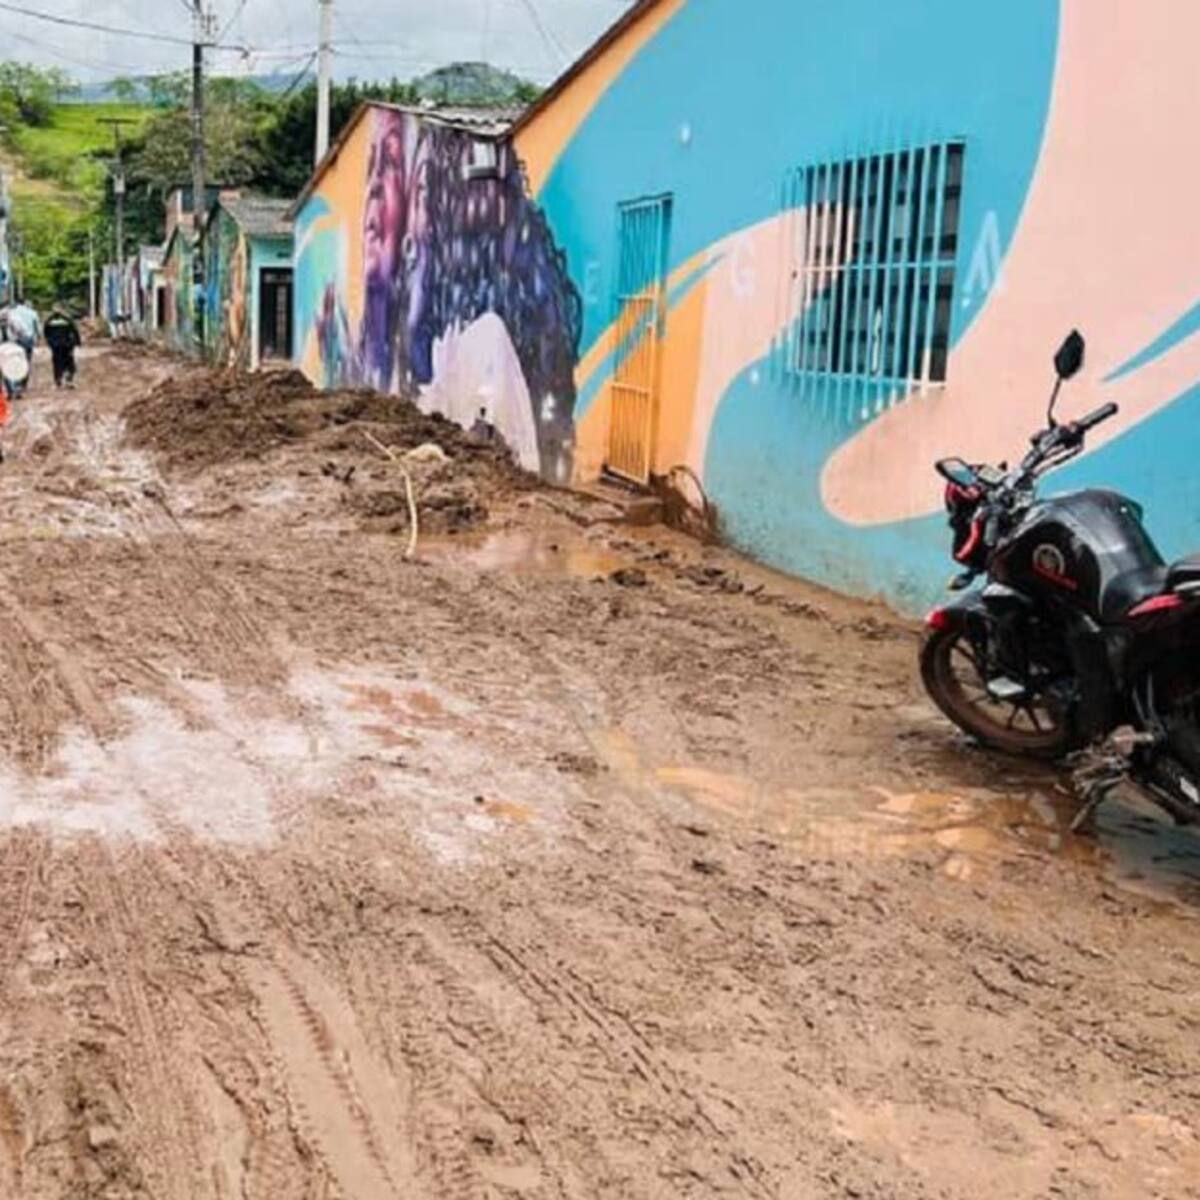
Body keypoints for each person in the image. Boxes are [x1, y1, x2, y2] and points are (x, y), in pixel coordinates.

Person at [5, 297, 40, 398]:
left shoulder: (12, 313)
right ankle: (20, 384)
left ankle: (13, 388)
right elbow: (25, 329)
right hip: (23, 341)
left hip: (10, 343)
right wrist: (37, 338)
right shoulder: (30, 313)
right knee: (24, 361)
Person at [44, 304, 81, 389]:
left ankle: (58, 380)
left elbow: (46, 333)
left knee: (57, 363)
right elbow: (75, 331)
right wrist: (76, 342)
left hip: (56, 346)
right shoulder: (67, 320)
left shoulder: (49, 321)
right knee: (69, 362)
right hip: (66, 345)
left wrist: (50, 343)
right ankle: (68, 380)